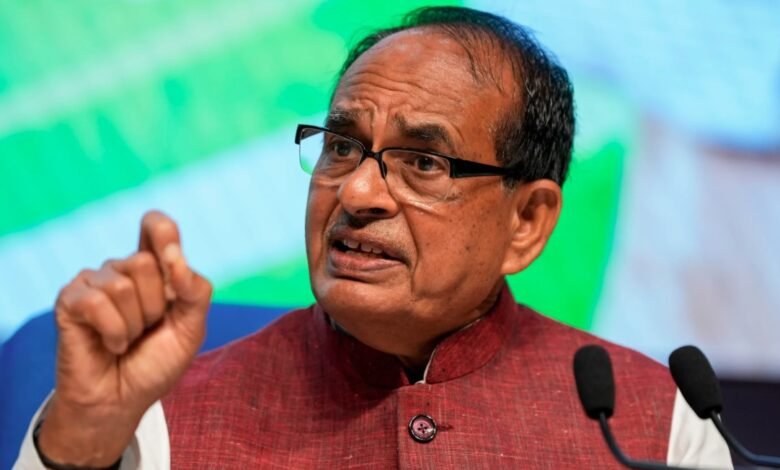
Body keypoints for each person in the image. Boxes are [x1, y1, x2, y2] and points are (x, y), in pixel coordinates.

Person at [16, 6, 731, 469]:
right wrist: (84, 439)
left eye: (424, 162)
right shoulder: (160, 418)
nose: (356, 193)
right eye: (341, 146)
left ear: (527, 221)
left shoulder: (653, 425)